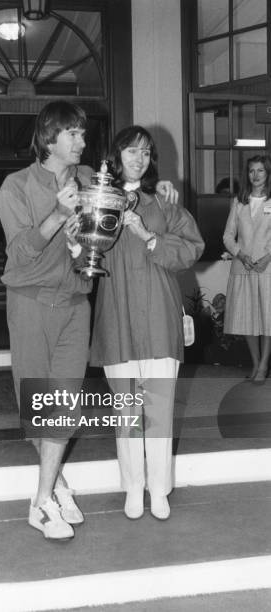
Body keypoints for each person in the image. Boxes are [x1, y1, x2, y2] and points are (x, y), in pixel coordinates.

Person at [0, 103, 179, 540]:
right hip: (32, 301)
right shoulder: (17, 185)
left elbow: (124, 196)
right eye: (74, 135)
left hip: (77, 301)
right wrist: (58, 215)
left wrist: (161, 187)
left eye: (82, 133)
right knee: (39, 404)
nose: (82, 141)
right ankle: (50, 493)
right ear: (49, 139)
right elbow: (20, 251)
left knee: (64, 402)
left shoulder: (87, 181)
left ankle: (45, 496)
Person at [90, 125, 204, 521]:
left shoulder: (165, 202)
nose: (137, 158)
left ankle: (159, 488)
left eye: (145, 152)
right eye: (130, 151)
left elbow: (191, 248)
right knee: (126, 408)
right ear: (116, 155)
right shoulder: (100, 198)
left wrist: (149, 236)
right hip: (117, 313)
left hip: (158, 311)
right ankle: (133, 486)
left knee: (157, 405)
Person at [223, 154, 271, 384]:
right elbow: (227, 236)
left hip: (268, 268)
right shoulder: (238, 201)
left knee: (268, 318)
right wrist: (239, 254)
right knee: (248, 318)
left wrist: (267, 258)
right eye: (252, 171)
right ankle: (255, 363)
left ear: (268, 173)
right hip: (243, 267)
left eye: (260, 170)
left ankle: (264, 366)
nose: (256, 175)